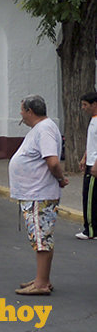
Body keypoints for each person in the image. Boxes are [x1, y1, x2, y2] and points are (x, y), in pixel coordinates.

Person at [9, 95, 68, 295]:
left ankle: (41, 284)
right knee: (42, 237)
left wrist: (60, 178)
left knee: (42, 238)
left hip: (38, 194)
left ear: (30, 111)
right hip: (35, 193)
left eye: (22, 110)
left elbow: (52, 161)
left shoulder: (44, 129)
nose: (20, 114)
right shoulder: (42, 128)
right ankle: (42, 279)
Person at [76, 91, 97, 240]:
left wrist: (95, 164)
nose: (83, 108)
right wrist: (85, 156)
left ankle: (90, 230)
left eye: (85, 105)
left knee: (89, 198)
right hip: (90, 161)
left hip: (94, 165)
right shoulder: (93, 120)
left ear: (94, 104)